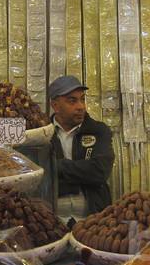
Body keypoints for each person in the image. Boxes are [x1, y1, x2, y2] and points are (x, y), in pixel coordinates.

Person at [48, 75, 114, 224]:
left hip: (93, 221)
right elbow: (39, 175)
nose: (81, 106)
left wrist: (58, 166)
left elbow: (100, 171)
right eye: (72, 101)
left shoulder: (99, 131)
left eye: (82, 99)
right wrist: (83, 173)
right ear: (55, 105)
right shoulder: (40, 135)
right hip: (51, 223)